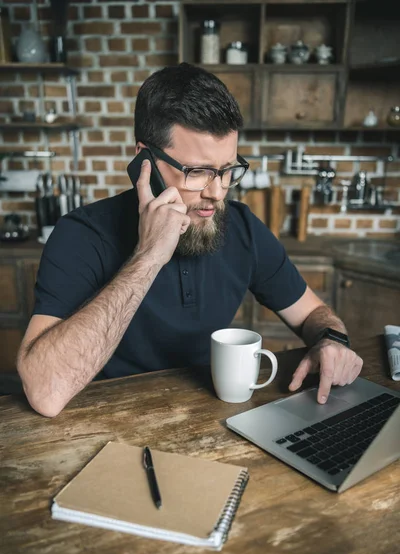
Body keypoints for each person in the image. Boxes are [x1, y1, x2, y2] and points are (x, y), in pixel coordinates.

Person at [17, 63, 363, 417]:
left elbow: (313, 313)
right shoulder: (82, 233)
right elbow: (45, 391)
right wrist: (148, 256)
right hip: (106, 425)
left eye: (227, 171)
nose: (217, 193)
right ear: (144, 161)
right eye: (198, 172)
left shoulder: (242, 226)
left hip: (210, 419)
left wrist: (331, 340)